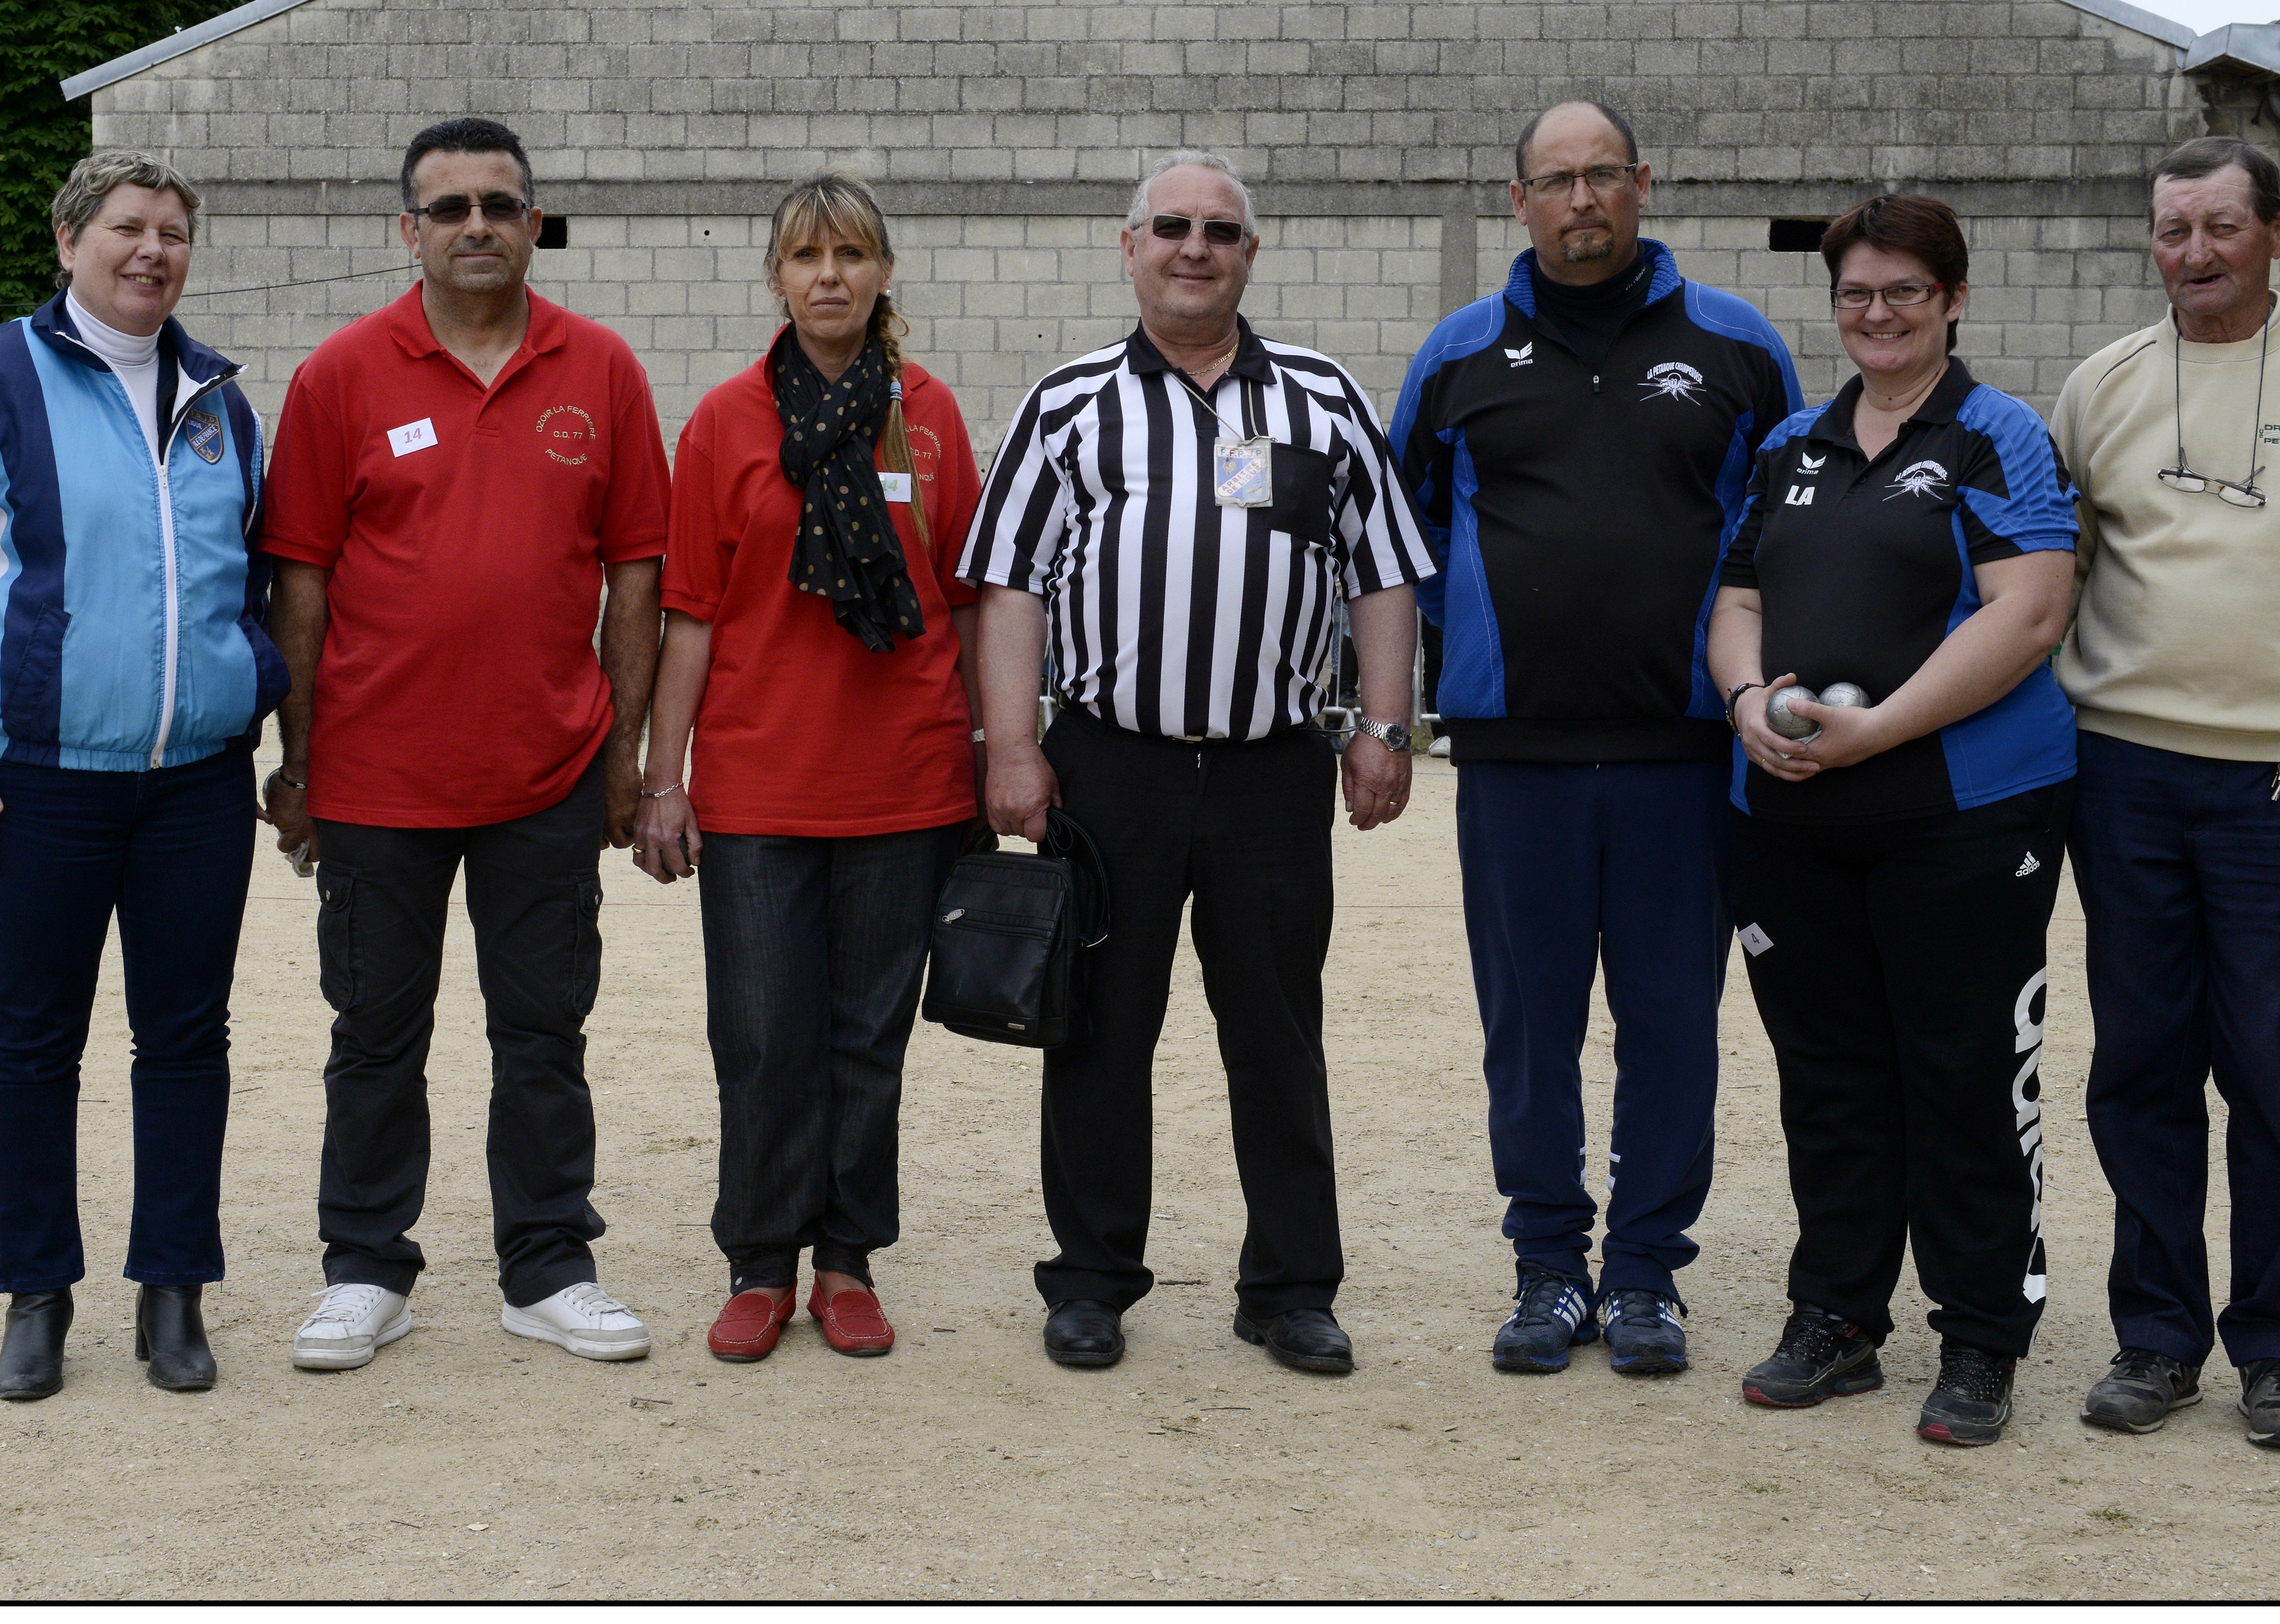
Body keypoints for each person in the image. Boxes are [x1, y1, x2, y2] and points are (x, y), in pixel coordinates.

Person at [962, 149, 1437, 1375]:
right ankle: (1091, 1280)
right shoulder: (1067, 403)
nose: (1193, 247)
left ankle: (1288, 1287)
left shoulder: (1324, 398)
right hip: (1110, 767)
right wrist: (1012, 746)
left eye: (1218, 231)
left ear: (1250, 254)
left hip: (1275, 769)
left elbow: (1383, 571)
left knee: (1277, 1030)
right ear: (1129, 247)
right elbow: (1008, 587)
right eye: (1168, 226)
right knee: (1099, 1029)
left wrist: (1385, 730)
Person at [0, 149, 284, 1399]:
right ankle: (36, 1292)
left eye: (173, 233)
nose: (153, 250)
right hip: (37, 782)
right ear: (69, 240)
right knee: (32, 1040)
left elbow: (254, 577)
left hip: (196, 787)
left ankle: (173, 1292)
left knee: (186, 1038)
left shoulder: (220, 398)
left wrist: (248, 682)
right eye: (128, 228)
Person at [1386, 99, 1801, 1378]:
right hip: (1518, 764)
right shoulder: (1457, 354)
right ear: (1518, 201)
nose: (1582, 199)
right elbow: (1405, 545)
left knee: (1673, 1020)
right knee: (1530, 1027)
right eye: (1555, 180)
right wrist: (1457, 668)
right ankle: (1549, 1268)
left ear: (1643, 185)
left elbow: (1782, 533)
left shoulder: (1737, 347)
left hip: (1687, 759)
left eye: (1603, 175)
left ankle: (1644, 1279)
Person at [258, 117, 670, 1370]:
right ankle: (365, 1269)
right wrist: (302, 764)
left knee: (543, 1030)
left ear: (535, 222)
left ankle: (547, 1265)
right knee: (375, 1034)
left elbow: (637, 580)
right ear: (409, 232)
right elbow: (302, 589)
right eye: (451, 209)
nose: (478, 225)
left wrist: (621, 757)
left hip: (545, 774)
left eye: (502, 204)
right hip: (379, 781)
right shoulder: (341, 376)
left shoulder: (600, 369)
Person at [2050, 138, 2280, 1454]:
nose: (2195, 253)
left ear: (2275, 230)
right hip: (2125, 766)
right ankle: (2155, 1338)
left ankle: (2279, 1348)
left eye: (2221, 226)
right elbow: (2066, 562)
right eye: (2172, 231)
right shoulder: (2099, 384)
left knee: (2274, 1064)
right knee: (2141, 1060)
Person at [1707, 195, 2078, 1447]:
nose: (1876, 315)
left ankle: (1980, 1334)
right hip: (1788, 822)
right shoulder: (1792, 445)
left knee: (1967, 1074)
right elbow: (1735, 602)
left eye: (1902, 293)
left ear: (1952, 300)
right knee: (1827, 1079)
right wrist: (1751, 698)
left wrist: (1883, 728)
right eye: (1856, 294)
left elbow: (2026, 613)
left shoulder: (1994, 435)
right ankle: (1839, 1316)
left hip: (1961, 816)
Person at [630, 172, 988, 1364]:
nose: (828, 274)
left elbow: (970, 604)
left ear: (885, 272)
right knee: (764, 1032)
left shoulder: (929, 416)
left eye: (849, 253)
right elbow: (690, 613)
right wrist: (661, 777)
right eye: (804, 256)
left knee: (866, 1035)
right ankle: (757, 1258)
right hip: (758, 786)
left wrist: (995, 749)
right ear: (776, 278)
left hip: (905, 781)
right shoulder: (726, 421)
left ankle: (846, 1259)